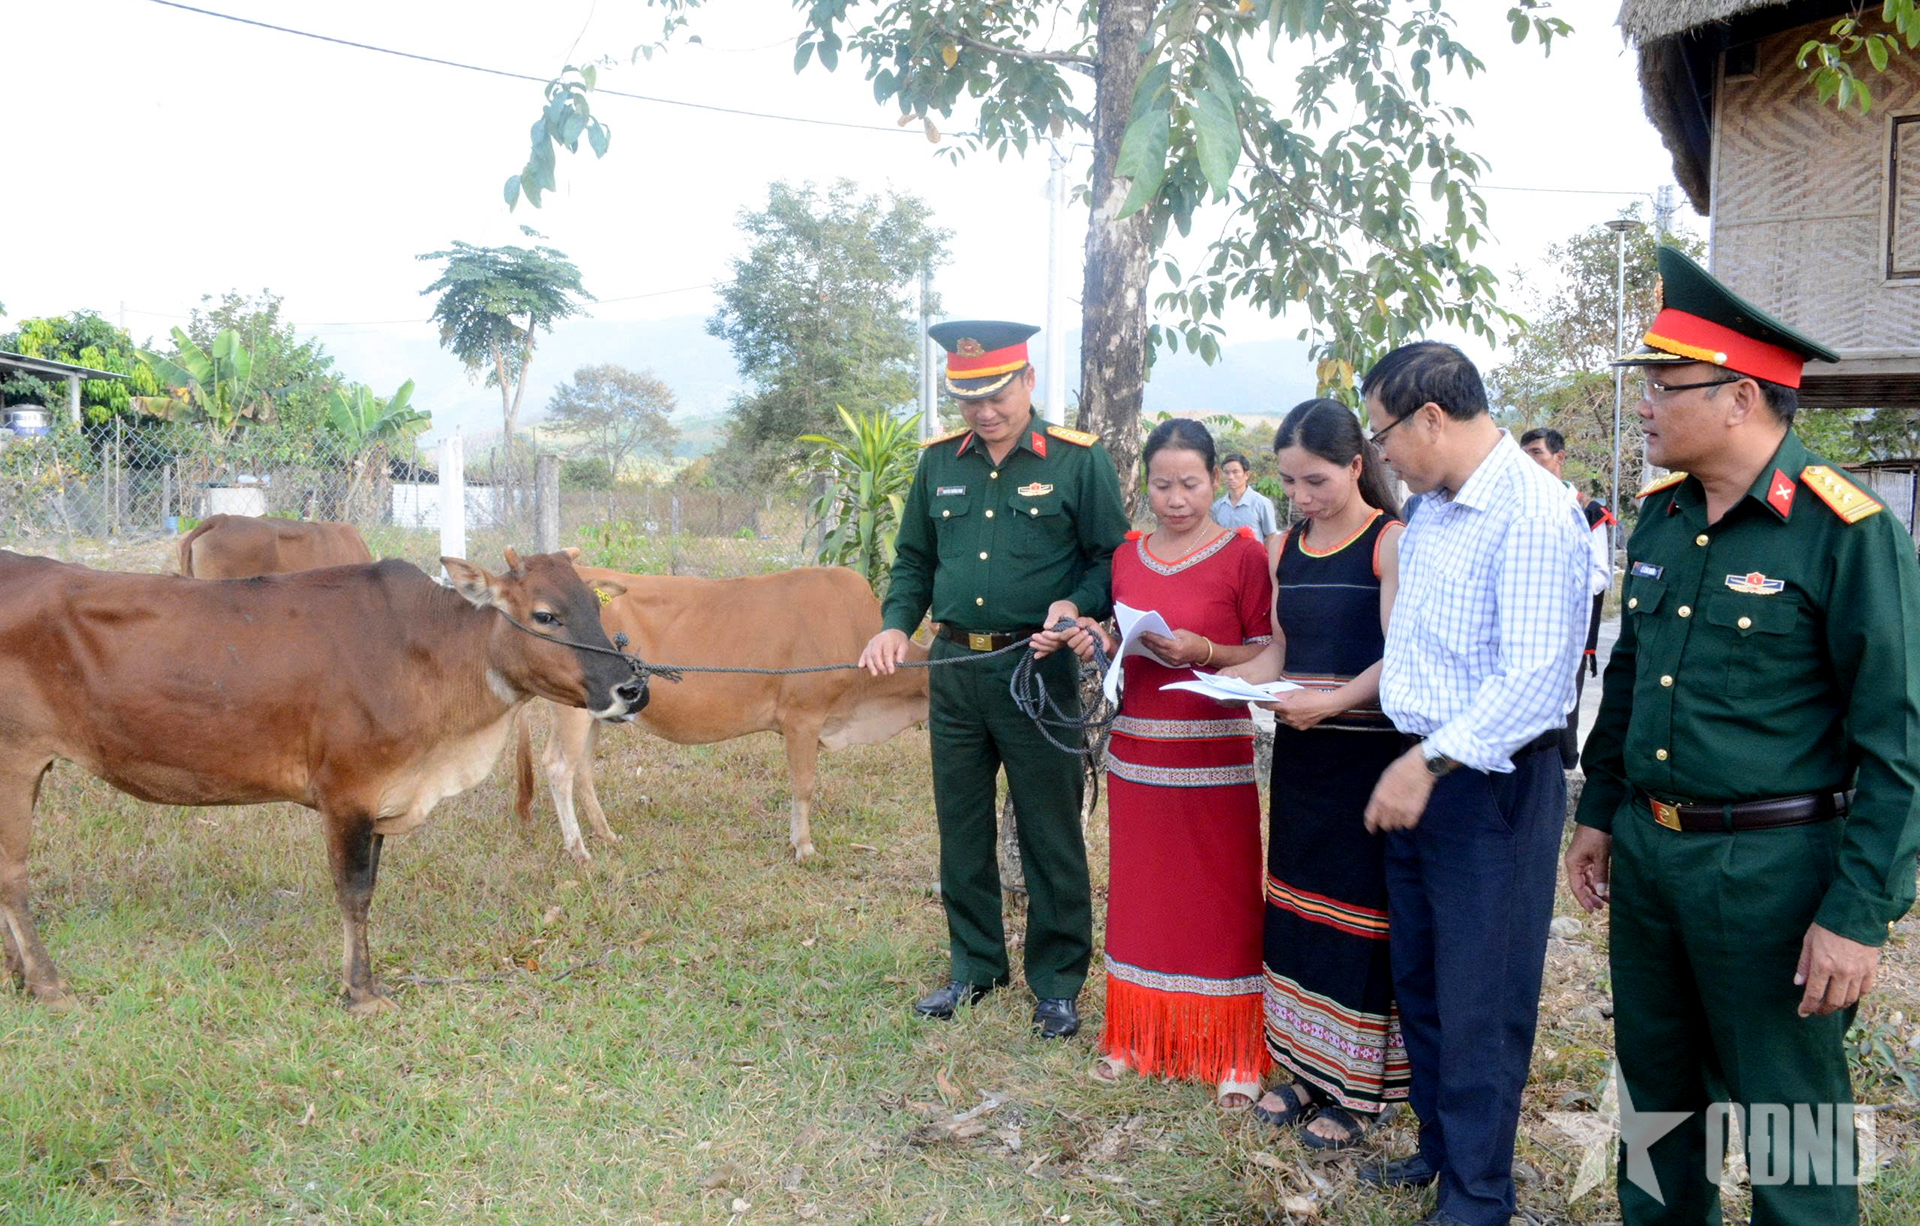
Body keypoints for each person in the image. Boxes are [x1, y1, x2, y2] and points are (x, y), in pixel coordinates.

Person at [1565, 247, 1920, 1226]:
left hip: (1774, 871)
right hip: (1652, 852)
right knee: (1658, 1101)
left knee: (1791, 1122)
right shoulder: (1666, 521)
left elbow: (1900, 743)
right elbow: (1632, 676)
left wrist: (1858, 911)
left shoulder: (1845, 531)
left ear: (1739, 399)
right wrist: (1599, 811)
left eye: (1664, 385)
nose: (1644, 405)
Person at [1355, 341, 1591, 1226]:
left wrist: (1427, 760)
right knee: (1419, 975)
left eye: (1384, 436)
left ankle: (1480, 1195)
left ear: (1430, 418)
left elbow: (1535, 682)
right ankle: (1441, 1147)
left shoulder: (1531, 512)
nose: (1384, 457)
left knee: (1481, 997)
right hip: (1423, 771)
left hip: (1483, 785)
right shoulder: (1432, 509)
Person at [860, 319, 1130, 1040]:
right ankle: (974, 967)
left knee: (1050, 830)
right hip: (954, 666)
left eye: (997, 394)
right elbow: (914, 558)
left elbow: (1111, 556)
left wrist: (1079, 604)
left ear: (1028, 382)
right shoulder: (939, 463)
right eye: (968, 397)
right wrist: (895, 623)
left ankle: (1057, 982)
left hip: (1034, 667)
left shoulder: (1078, 461)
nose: (984, 411)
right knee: (962, 825)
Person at [1054, 420, 1274, 1108]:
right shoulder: (1127, 555)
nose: (1175, 498)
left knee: (1223, 891)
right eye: (1161, 484)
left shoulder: (1242, 556)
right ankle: (1136, 1035)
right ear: (1143, 484)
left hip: (1214, 751)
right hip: (1138, 751)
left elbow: (1264, 650)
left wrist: (1204, 651)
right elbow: (1123, 636)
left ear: (1216, 480)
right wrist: (1097, 641)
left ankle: (1233, 1047)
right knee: (1144, 891)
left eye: (1189, 483)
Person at [1221, 398, 1409, 1149]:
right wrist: (1242, 687)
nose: (1300, 497)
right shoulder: (1280, 547)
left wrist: (1330, 702)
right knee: (1296, 904)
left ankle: (1359, 1092)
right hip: (1300, 751)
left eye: (1316, 481)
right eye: (1289, 481)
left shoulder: (1389, 542)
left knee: (1358, 916)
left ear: (1358, 466)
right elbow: (1276, 651)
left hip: (1365, 754)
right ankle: (1302, 1068)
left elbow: (1401, 658)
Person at [1518, 426, 1616, 769]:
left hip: (1564, 621)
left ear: (1559, 458)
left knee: (1563, 702)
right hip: (1522, 621)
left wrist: (1555, 587)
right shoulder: (1517, 504)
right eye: (1524, 453)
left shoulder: (1587, 510)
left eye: (1536, 453)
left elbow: (1600, 573)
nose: (1528, 460)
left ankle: (1563, 768)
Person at [1211, 452, 1281, 546]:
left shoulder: (1261, 503)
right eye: (1226, 473)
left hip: (1254, 559)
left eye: (1235, 472)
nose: (1230, 477)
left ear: (1246, 475)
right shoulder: (1217, 507)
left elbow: (1271, 537)